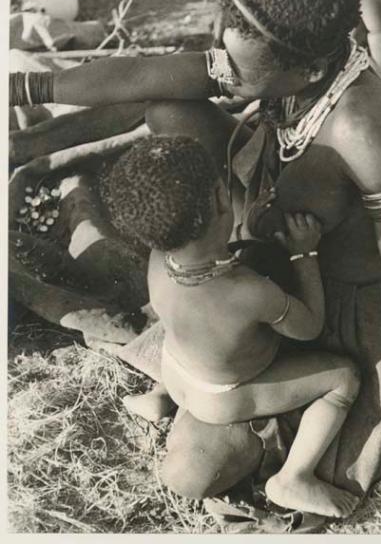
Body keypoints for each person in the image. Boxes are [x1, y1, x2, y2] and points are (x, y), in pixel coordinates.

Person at [9, 0, 381, 508]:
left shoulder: (363, 136)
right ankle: (33, 147)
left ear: (306, 71)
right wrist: (24, 91)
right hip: (271, 224)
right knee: (168, 101)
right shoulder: (281, 57)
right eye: (225, 59)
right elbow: (142, 74)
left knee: (197, 466)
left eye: (239, 70)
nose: (221, 73)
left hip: (337, 286)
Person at [106, 134, 361, 517]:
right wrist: (304, 254)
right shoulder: (248, 292)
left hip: (176, 372)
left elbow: (214, 262)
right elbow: (310, 326)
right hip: (222, 398)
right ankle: (294, 476)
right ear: (224, 199)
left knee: (186, 334)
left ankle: (160, 399)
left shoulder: (160, 260)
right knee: (344, 379)